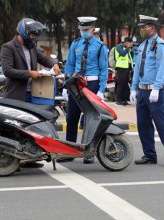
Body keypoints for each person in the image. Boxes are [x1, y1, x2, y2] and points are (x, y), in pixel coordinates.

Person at [129, 15, 164, 167]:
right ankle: (149, 154)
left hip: (154, 91)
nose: (142, 30)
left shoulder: (160, 45)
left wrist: (156, 88)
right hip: (142, 91)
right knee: (143, 124)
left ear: (151, 27)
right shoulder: (142, 46)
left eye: (144, 27)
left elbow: (162, 69)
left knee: (161, 124)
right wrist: (133, 88)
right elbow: (137, 68)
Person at [60, 16, 108, 164]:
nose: (84, 32)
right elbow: (70, 66)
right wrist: (65, 86)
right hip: (75, 84)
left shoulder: (100, 46)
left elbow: (103, 69)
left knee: (90, 119)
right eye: (81, 30)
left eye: (86, 30)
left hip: (91, 84)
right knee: (72, 117)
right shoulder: (76, 44)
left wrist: (101, 89)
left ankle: (89, 152)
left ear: (93, 29)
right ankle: (70, 151)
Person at [1, 18, 60, 102]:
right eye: (32, 35)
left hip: (34, 93)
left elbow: (44, 60)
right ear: (24, 33)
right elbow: (7, 71)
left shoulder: (32, 48)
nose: (34, 38)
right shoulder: (8, 47)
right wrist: (29, 73)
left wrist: (55, 64)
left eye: (35, 36)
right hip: (16, 95)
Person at [115, 37, 134, 105]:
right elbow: (123, 54)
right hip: (120, 68)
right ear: (127, 42)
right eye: (130, 43)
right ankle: (118, 100)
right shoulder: (119, 47)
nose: (131, 45)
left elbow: (130, 59)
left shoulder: (127, 49)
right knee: (121, 85)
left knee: (125, 85)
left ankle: (124, 100)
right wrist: (128, 47)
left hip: (126, 69)